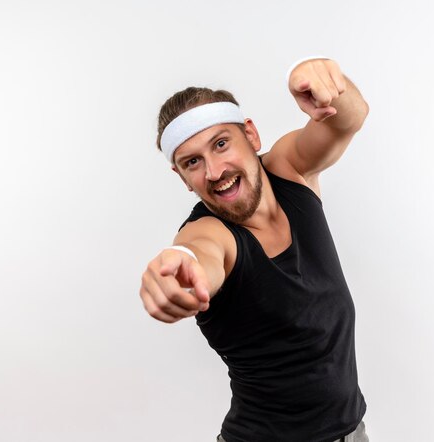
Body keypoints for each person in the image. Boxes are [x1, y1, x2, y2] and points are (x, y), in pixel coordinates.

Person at [140, 57, 370, 442]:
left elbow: (350, 118)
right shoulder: (209, 230)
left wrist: (327, 83)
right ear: (182, 177)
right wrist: (184, 265)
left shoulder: (290, 170)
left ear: (252, 135)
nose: (214, 172)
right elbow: (202, 252)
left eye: (221, 144)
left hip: (351, 432)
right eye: (193, 162)